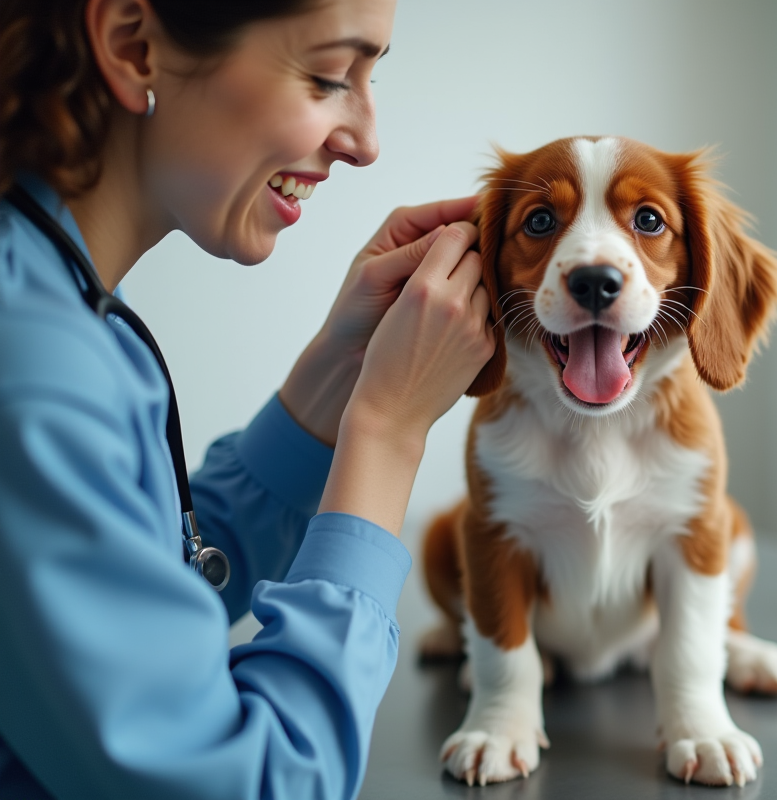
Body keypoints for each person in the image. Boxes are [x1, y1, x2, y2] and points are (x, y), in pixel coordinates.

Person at [0, 0, 495, 797]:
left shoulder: (51, 289)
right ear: (133, 45)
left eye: (370, 79)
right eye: (329, 76)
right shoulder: (33, 367)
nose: (366, 143)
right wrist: (388, 431)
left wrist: (338, 376)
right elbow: (257, 781)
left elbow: (127, 594)